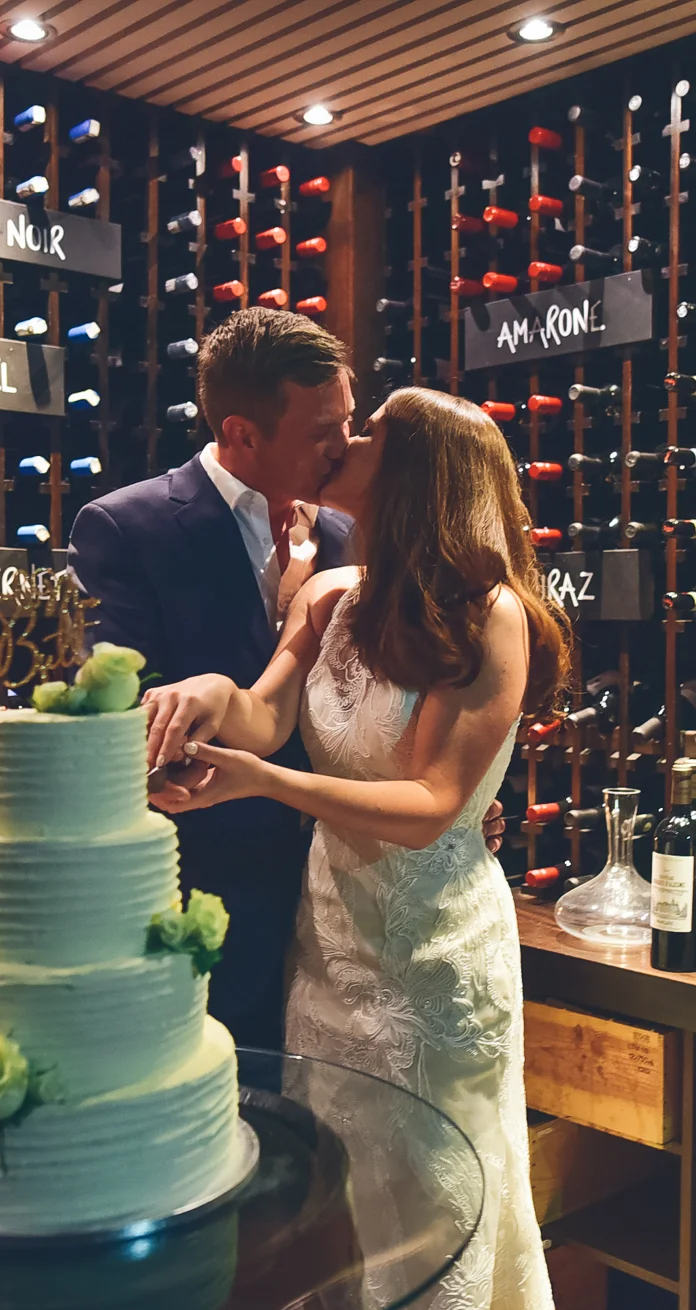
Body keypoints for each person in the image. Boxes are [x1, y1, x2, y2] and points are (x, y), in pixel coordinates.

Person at [144, 387, 569, 1310]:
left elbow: (430, 806)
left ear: (420, 471)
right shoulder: (327, 594)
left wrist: (257, 782)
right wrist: (217, 717)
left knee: (435, 1202)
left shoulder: (492, 614)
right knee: (340, 1205)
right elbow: (261, 714)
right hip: (329, 943)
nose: (349, 438)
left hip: (434, 956)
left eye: (372, 429)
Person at [68, 310, 503, 1051]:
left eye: (353, 425)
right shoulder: (126, 526)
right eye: (320, 432)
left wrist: (469, 802)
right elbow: (126, 721)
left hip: (367, 904)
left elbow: (422, 707)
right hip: (206, 892)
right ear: (241, 433)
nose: (342, 446)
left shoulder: (351, 536)